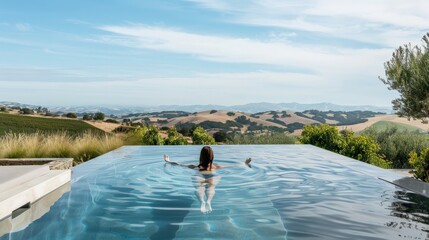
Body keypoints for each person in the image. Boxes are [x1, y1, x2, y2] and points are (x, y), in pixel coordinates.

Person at [163, 146, 251, 213]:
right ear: (212, 157)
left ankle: (202, 201)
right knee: (211, 188)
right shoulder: (216, 167)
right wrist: (244, 163)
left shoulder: (194, 167)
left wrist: (168, 161)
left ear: (201, 156)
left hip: (199, 175)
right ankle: (208, 201)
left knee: (199, 188)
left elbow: (178, 164)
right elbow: (233, 166)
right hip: (212, 175)